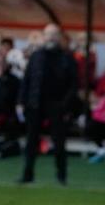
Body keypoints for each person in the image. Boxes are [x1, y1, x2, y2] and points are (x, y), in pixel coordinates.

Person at [18, 24, 78, 184]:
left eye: (54, 34)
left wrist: (64, 105)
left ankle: (62, 176)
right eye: (48, 34)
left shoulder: (67, 58)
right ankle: (27, 175)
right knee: (31, 141)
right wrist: (21, 101)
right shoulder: (36, 56)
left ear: (59, 37)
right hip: (34, 103)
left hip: (56, 105)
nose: (51, 37)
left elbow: (73, 85)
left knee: (59, 142)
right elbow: (27, 80)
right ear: (43, 37)